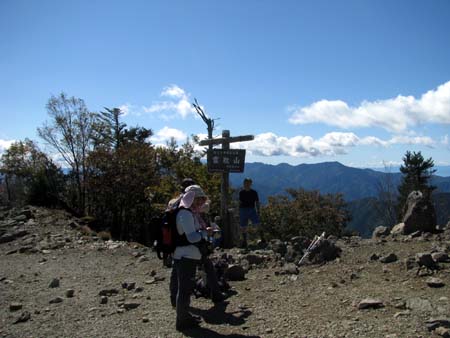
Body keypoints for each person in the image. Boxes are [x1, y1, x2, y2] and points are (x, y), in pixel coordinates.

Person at [169, 185, 207, 331]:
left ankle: (184, 316)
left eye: (201, 200)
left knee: (183, 288)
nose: (199, 203)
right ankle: (182, 322)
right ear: (190, 198)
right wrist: (205, 234)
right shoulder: (185, 214)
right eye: (197, 199)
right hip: (186, 256)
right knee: (184, 290)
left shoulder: (188, 212)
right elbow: (192, 238)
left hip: (183, 255)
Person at [239, 177, 264, 248]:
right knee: (243, 226)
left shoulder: (254, 192)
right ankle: (244, 242)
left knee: (257, 224)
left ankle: (262, 238)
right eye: (245, 183)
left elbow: (257, 202)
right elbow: (240, 202)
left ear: (251, 184)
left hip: (251, 209)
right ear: (244, 184)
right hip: (243, 210)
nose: (246, 184)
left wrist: (258, 210)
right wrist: (239, 211)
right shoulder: (241, 192)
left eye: (248, 183)